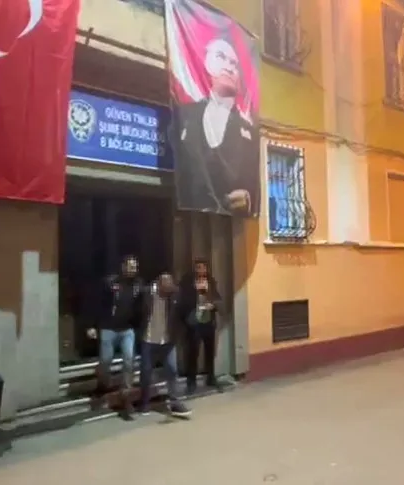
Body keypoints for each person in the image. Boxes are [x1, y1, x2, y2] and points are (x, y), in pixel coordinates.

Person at [172, 37, 260, 216]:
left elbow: (253, 187)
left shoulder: (249, 132)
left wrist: (247, 199)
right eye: (221, 57)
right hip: (190, 219)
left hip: (232, 224)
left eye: (234, 64)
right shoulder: (185, 116)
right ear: (207, 63)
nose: (228, 67)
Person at [87, 255, 145, 421]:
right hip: (108, 328)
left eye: (135, 267)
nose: (133, 270)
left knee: (129, 360)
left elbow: (143, 305)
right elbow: (97, 304)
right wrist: (92, 325)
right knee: (106, 360)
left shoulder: (139, 285)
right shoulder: (110, 282)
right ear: (123, 266)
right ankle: (102, 386)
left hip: (127, 329)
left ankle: (126, 397)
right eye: (130, 266)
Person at [138, 273, 192, 418]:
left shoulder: (174, 295)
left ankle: (175, 402)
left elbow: (182, 314)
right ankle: (144, 401)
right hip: (148, 339)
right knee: (146, 371)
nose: (168, 292)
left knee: (172, 369)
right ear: (159, 285)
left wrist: (179, 332)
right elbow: (137, 312)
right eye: (166, 289)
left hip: (167, 339)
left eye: (170, 289)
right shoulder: (146, 293)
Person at [178, 258, 223, 395]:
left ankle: (211, 377)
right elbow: (182, 301)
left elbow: (218, 298)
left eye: (203, 268)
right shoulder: (188, 283)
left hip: (208, 321)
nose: (200, 271)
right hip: (194, 322)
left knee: (210, 351)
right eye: (198, 268)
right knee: (193, 353)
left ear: (206, 269)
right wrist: (194, 292)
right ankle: (191, 381)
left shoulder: (211, 282)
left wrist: (213, 305)